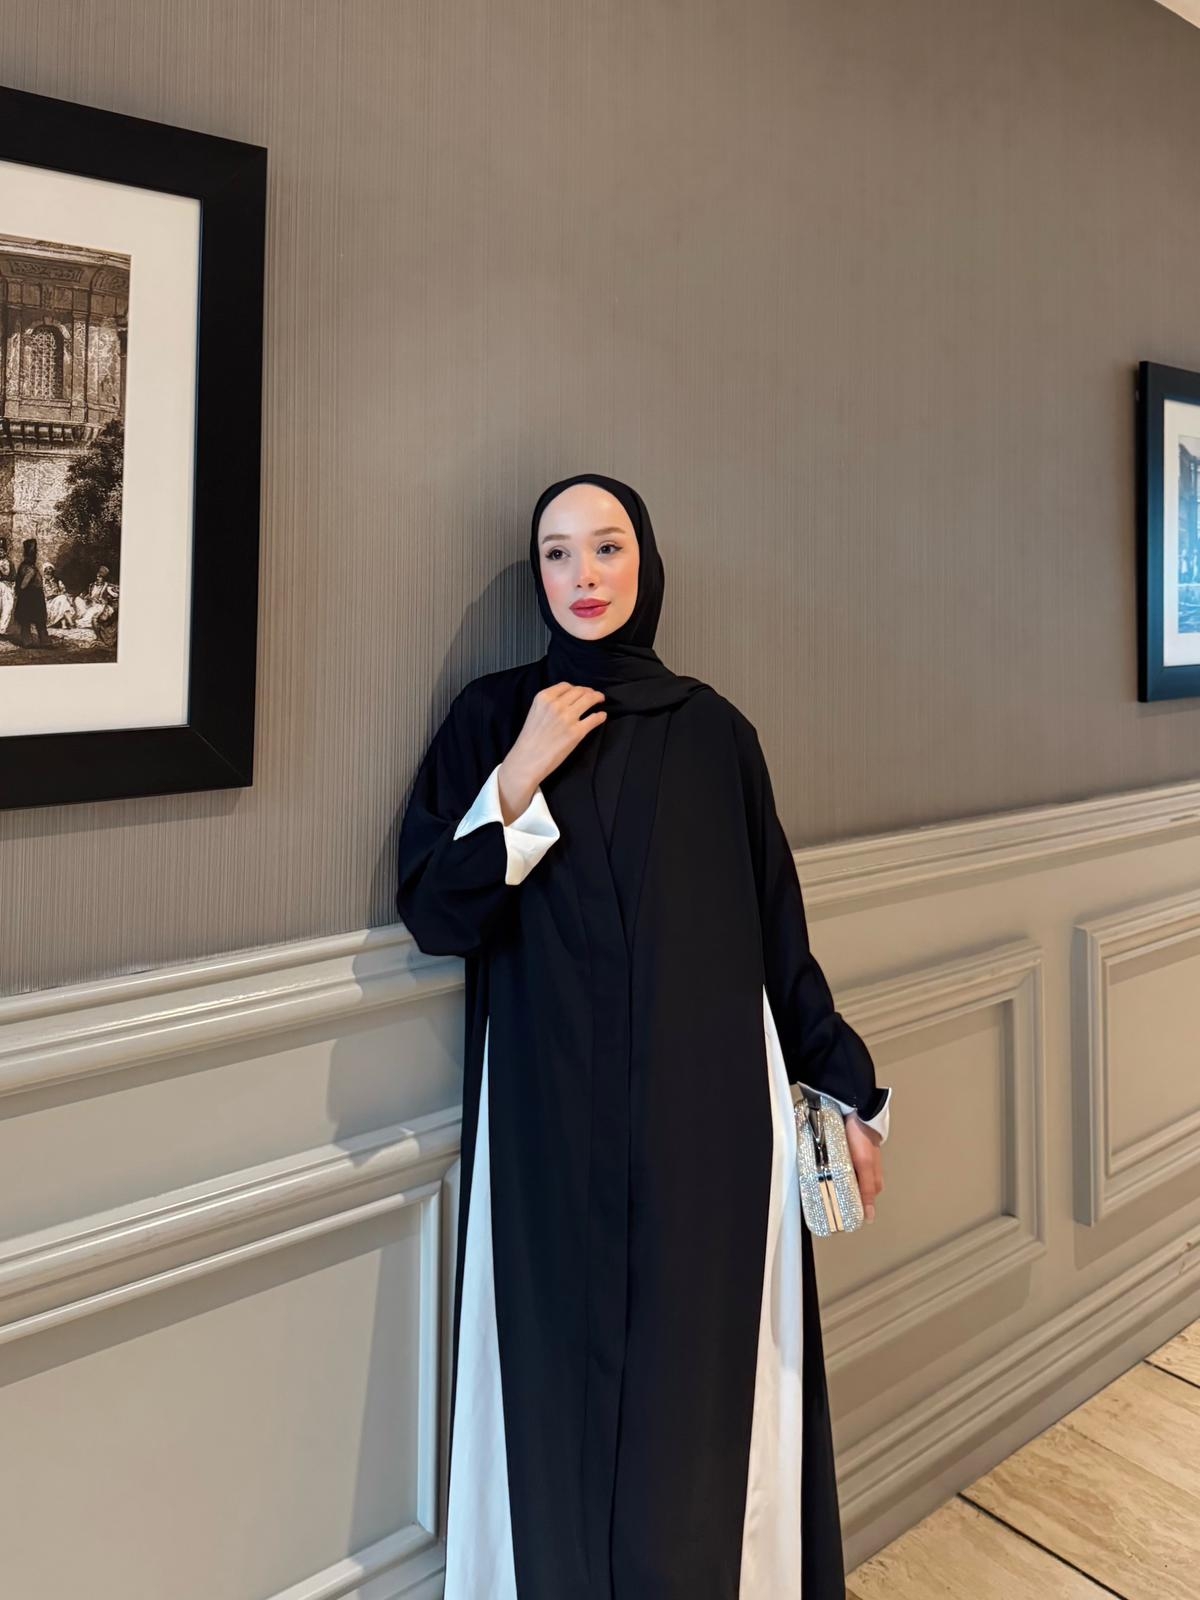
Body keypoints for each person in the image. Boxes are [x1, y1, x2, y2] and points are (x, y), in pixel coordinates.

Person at [396, 472, 892, 1600]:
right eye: (558, 552)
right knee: (551, 1406)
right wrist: (518, 774)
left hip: (707, 1132)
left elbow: (778, 941)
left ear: (646, 562)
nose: (583, 575)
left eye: (607, 546)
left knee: (698, 1415)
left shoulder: (715, 734)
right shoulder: (492, 717)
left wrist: (848, 1093)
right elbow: (434, 912)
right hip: (545, 1129)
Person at [13, 537, 50, 649]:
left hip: (35, 595)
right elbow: (23, 585)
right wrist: (30, 575)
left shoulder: (30, 566)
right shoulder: (26, 567)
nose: (35, 555)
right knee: (26, 619)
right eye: (33, 553)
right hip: (29, 596)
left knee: (40, 620)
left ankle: (44, 641)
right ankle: (27, 641)